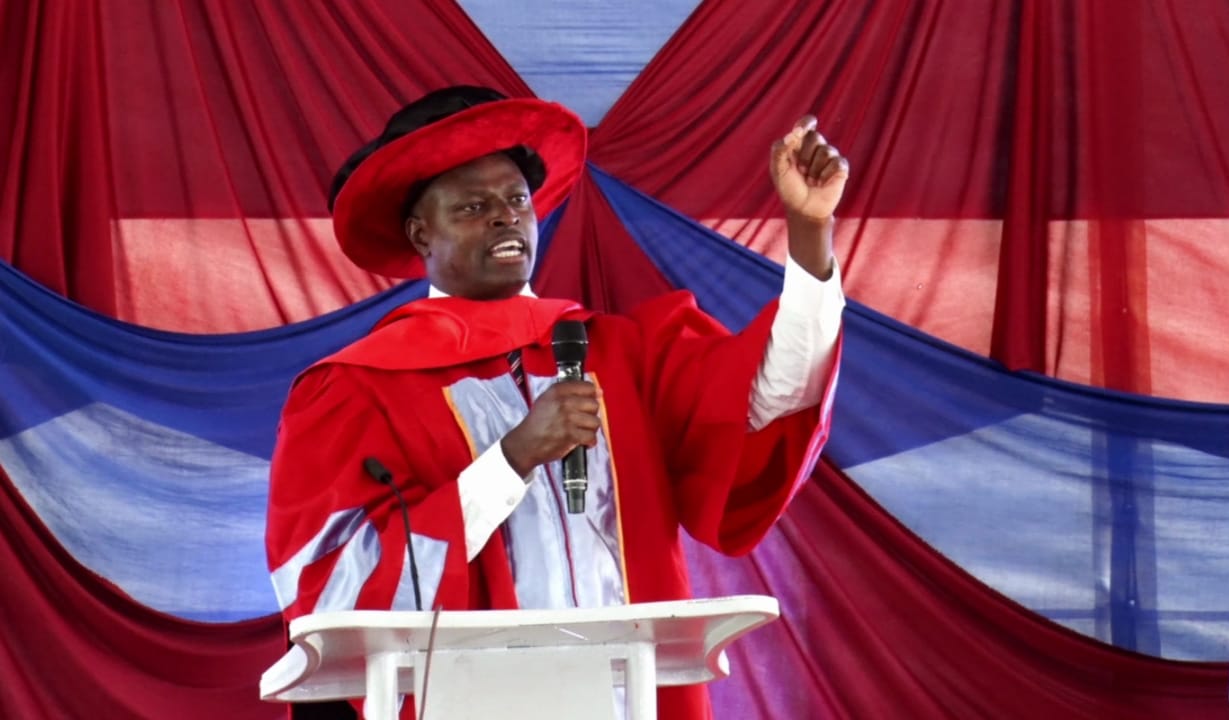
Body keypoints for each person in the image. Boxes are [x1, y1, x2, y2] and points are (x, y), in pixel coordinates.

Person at [265, 86, 847, 719]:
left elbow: (766, 397)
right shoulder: (357, 388)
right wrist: (511, 459)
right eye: (473, 206)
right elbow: (334, 589)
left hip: (629, 700)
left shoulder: (623, 354)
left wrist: (809, 233)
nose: (505, 218)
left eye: (517, 200)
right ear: (420, 233)